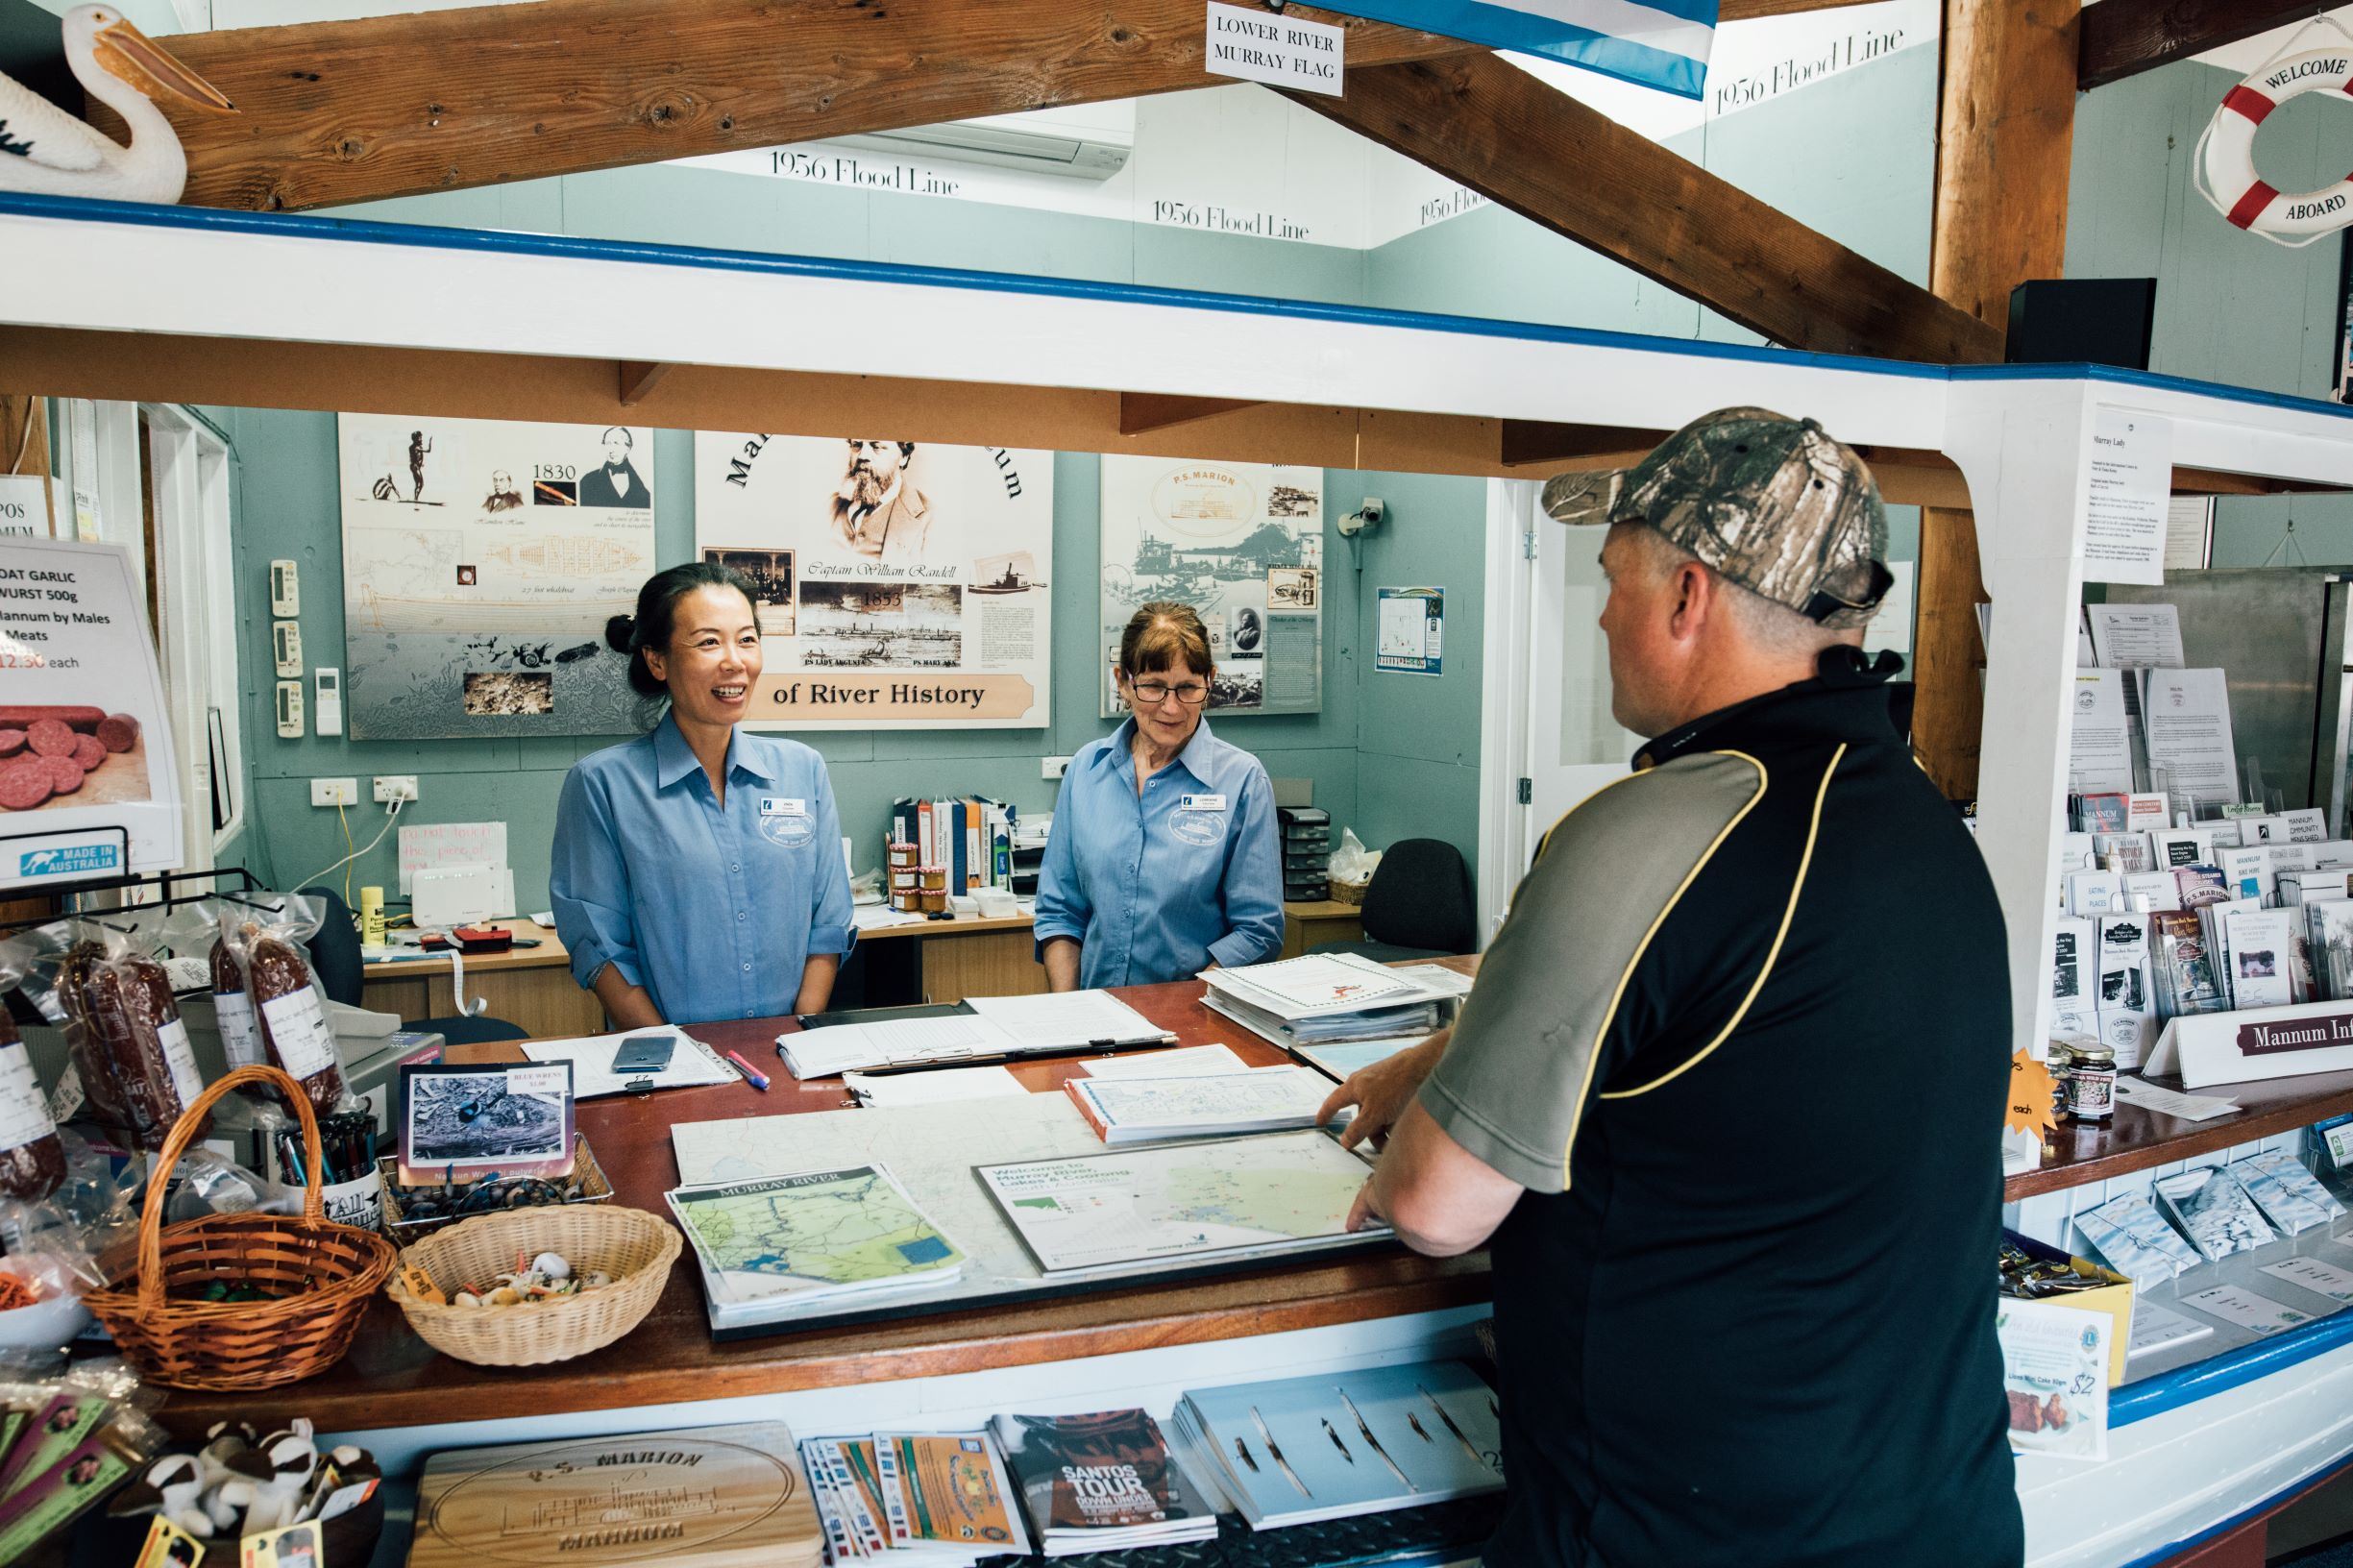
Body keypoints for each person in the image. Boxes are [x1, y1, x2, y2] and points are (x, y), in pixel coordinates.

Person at [1319, 408, 2019, 1567]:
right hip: (1933, 1515)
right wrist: (1452, 1053)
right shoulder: (1920, 819)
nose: (1599, 613)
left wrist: (1431, 1130)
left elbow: (1436, 1210)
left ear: (1686, 596)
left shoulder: (1652, 832)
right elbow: (1736, 1056)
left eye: (1611, 577)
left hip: (1685, 1531)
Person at [551, 561, 853, 1026]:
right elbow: (601, 950)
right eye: (709, 642)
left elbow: (827, 927)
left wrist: (794, 1040)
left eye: (747, 639)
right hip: (666, 1066)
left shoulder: (802, 770)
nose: (735, 660)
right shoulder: (602, 785)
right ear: (657, 660)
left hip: (788, 1056)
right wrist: (677, 1059)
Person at [1034, 602, 1283, 990]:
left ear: (1210, 681)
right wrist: (1068, 1008)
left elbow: (1258, 931)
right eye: (1152, 686)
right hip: (1095, 1015)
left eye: (1187, 688)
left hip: (1195, 1021)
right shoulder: (1087, 769)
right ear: (1123, 681)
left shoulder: (1242, 781)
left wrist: (1181, 1010)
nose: (1171, 708)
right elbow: (1060, 912)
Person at [830, 439, 930, 563]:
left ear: (903, 456)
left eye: (876, 447)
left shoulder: (930, 519)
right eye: (857, 445)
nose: (862, 456)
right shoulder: (828, 506)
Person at [579, 427, 651, 508]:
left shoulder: (642, 490)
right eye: (608, 443)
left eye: (616, 443)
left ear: (628, 448)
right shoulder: (588, 481)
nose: (611, 449)